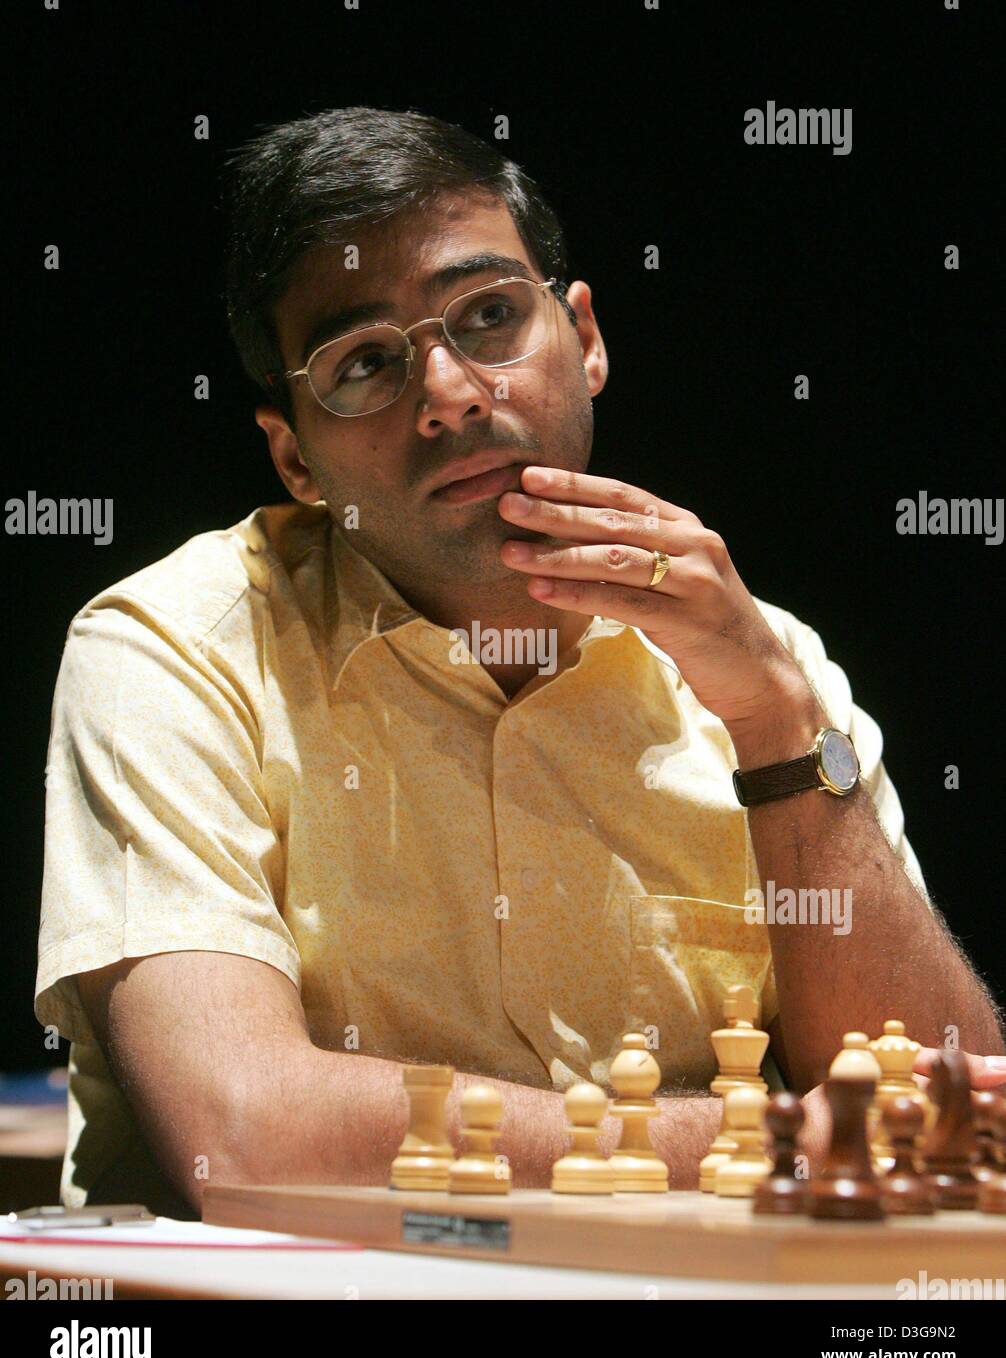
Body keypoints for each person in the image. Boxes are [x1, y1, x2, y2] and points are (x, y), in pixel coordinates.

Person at [35, 108, 1004, 1219]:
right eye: (364, 364)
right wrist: (783, 1142)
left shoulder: (758, 661)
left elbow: (951, 1115)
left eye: (490, 314)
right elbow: (244, 1129)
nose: (449, 391)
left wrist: (780, 729)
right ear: (297, 456)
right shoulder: (171, 649)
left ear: (584, 337)